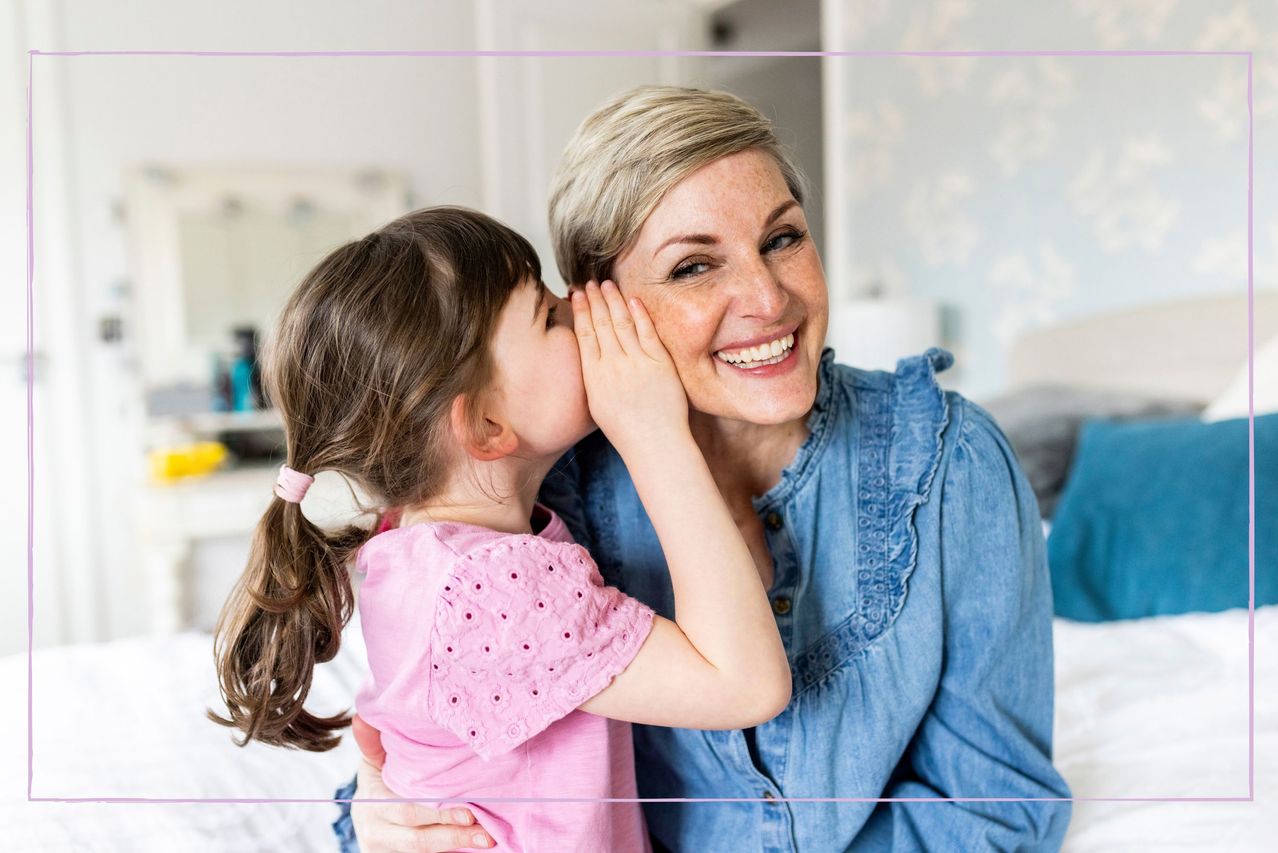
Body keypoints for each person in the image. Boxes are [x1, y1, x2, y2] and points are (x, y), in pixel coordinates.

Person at [340, 86, 1073, 852]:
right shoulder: (537, 501)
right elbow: (438, 760)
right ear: (600, 308)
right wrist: (375, 816)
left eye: (783, 238)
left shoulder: (954, 462)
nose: (766, 297)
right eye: (693, 266)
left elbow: (998, 806)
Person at [209, 206, 792, 852]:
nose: (579, 306)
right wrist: (652, 431)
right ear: (487, 427)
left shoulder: (411, 541)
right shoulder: (490, 590)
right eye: (546, 314)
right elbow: (747, 683)